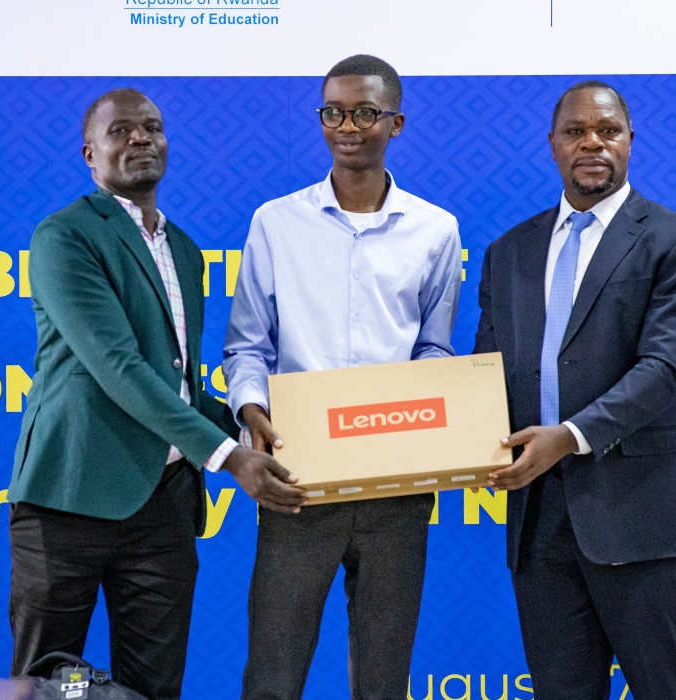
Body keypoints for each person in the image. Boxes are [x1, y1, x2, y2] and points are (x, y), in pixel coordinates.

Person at [6, 88, 304, 700]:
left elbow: (178, 385)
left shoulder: (186, 251)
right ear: (90, 154)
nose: (140, 138)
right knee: (44, 685)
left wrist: (262, 427)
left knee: (155, 689)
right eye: (120, 131)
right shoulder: (64, 236)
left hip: (163, 509)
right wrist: (229, 455)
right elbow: (117, 367)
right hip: (70, 496)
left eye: (152, 127)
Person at [223, 55, 463, 700]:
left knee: (383, 683)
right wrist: (251, 413)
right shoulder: (276, 222)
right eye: (332, 112)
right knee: (272, 677)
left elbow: (435, 349)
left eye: (363, 112)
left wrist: (416, 407)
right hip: (297, 483)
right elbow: (246, 346)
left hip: (397, 488)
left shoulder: (436, 230)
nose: (346, 126)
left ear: (396, 122)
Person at [474, 81, 676, 700]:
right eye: (575, 131)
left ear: (630, 142)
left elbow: (664, 370)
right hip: (539, 521)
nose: (592, 143)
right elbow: (485, 372)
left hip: (639, 517)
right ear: (552, 146)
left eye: (607, 131)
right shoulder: (508, 251)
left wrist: (569, 438)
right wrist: (460, 439)